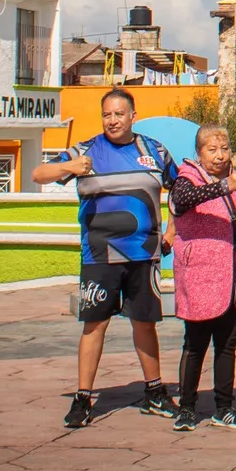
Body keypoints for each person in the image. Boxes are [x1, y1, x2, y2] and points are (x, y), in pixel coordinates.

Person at [34, 87, 181, 428]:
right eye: (107, 114)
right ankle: (83, 397)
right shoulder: (86, 151)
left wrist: (172, 232)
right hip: (99, 256)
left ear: (133, 115)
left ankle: (154, 392)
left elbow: (179, 190)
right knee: (95, 324)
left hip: (144, 256)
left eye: (119, 114)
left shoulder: (154, 150)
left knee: (145, 323)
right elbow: (38, 174)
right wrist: (70, 165)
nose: (113, 120)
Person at [167, 125, 236, 431]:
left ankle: (224, 407)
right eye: (211, 150)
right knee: (195, 344)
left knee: (227, 344)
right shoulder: (187, 178)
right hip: (200, 276)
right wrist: (222, 188)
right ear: (199, 153)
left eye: (224, 149)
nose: (219, 156)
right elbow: (182, 201)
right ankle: (187, 407)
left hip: (231, 278)